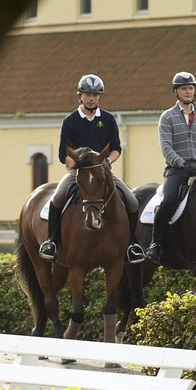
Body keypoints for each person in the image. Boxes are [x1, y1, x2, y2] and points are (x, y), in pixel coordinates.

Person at [38, 73, 146, 264]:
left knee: (132, 201)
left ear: (99, 97)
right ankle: (52, 242)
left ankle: (132, 245)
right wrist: (78, 164)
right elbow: (64, 154)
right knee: (57, 198)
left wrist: (108, 162)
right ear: (80, 95)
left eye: (95, 95)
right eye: (87, 94)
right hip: (77, 173)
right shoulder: (70, 121)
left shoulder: (108, 119)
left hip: (102, 171)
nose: (91, 98)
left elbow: (116, 149)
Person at [144, 71, 196, 263]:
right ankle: (155, 244)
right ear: (176, 92)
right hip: (177, 170)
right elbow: (166, 148)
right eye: (184, 89)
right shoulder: (167, 117)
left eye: (191, 88)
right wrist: (183, 164)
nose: (188, 92)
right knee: (168, 200)